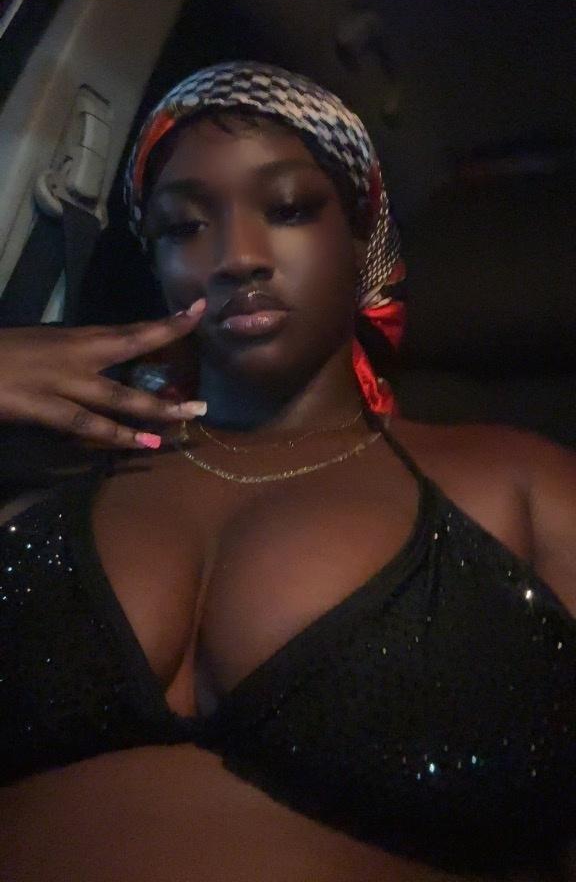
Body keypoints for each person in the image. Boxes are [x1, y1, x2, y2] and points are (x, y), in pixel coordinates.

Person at [0, 62, 575, 882]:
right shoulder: (51, 486)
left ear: (362, 234)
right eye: (184, 225)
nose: (237, 257)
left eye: (290, 208)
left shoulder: (520, 486)